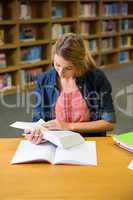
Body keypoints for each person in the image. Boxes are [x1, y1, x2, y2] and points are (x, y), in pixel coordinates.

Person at [25, 33, 116, 144]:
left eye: (68, 68)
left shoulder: (96, 78)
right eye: (57, 65)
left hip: (88, 142)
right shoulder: (44, 80)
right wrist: (33, 132)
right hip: (56, 143)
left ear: (79, 65)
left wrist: (69, 126)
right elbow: (37, 119)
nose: (61, 73)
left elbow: (109, 122)